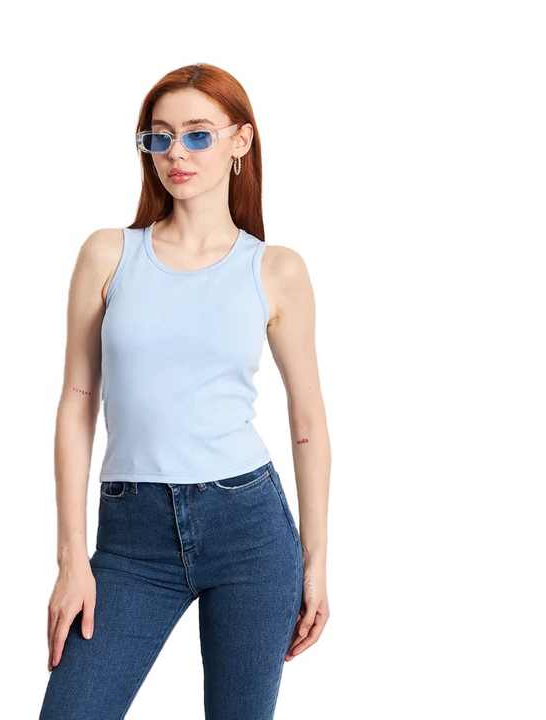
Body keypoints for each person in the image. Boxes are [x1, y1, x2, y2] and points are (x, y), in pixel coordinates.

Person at [39, 63, 331, 720]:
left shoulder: (275, 270)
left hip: (249, 530)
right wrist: (70, 558)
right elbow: (77, 402)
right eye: (160, 136)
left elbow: (308, 418)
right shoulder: (108, 255)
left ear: (240, 141)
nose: (177, 153)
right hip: (130, 540)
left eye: (198, 134)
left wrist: (315, 560)